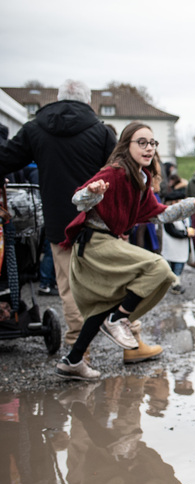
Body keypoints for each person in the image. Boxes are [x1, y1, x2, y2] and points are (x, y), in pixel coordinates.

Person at [55, 122, 195, 380]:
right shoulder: (115, 173)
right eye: (142, 142)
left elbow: (159, 214)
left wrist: (191, 204)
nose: (149, 148)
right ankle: (118, 319)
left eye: (152, 143)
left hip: (106, 243)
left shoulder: (141, 178)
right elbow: (78, 200)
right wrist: (92, 193)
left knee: (103, 306)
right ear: (127, 145)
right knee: (159, 268)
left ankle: (73, 360)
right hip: (94, 245)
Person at [0, 79, 115, 353]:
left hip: (59, 223)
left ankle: (78, 348)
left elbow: (6, 159)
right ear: (88, 102)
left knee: (68, 286)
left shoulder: (35, 128)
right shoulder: (101, 132)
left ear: (58, 98)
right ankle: (127, 340)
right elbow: (119, 174)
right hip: (97, 220)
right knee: (109, 279)